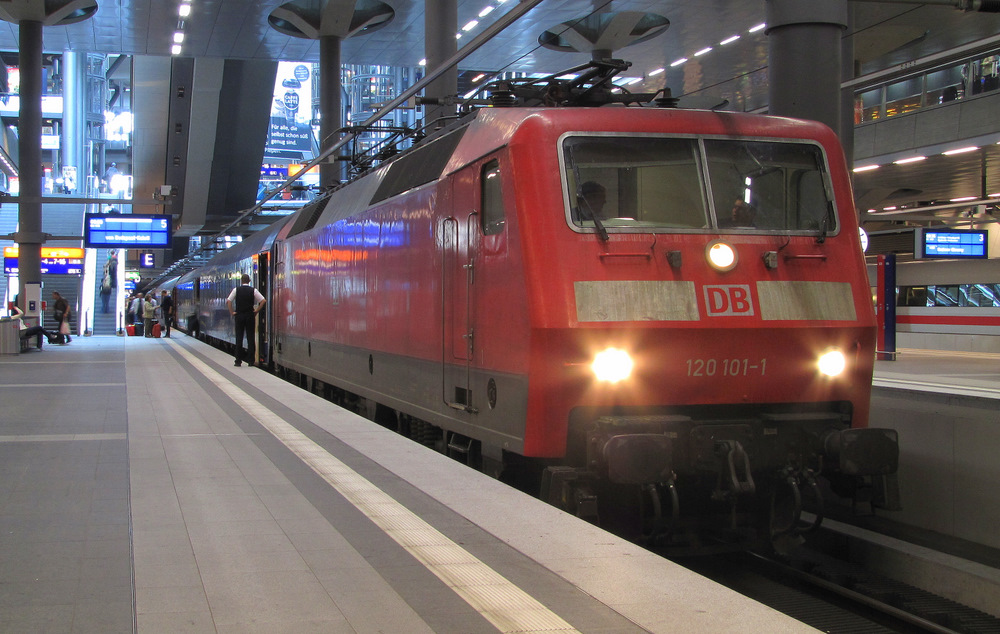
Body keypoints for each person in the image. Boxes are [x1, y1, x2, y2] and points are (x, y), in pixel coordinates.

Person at [226, 274, 266, 367]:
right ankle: (251, 361)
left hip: (239, 316)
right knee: (250, 338)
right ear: (249, 281)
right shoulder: (253, 290)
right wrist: (256, 311)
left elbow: (229, 301)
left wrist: (232, 312)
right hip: (250, 316)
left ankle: (238, 361)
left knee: (239, 338)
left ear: (241, 281)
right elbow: (263, 301)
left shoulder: (236, 290)